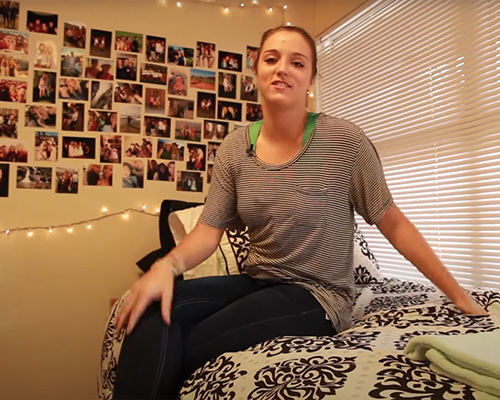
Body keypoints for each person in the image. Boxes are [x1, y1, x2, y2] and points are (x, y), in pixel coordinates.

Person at [113, 25, 487, 400]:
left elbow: (394, 223)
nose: (283, 69)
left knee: (193, 343)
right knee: (149, 306)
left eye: (297, 62)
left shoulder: (344, 142)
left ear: (310, 78)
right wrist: (166, 267)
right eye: (272, 59)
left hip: (319, 294)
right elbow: (208, 232)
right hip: (257, 281)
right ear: (256, 68)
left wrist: (457, 294)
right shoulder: (234, 149)